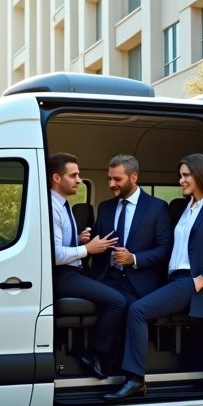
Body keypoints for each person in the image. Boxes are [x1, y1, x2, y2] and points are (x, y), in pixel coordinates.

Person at [104, 153, 203, 402]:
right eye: (181, 176)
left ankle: (135, 379)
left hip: (191, 281)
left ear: (201, 175)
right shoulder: (189, 208)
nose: (181, 180)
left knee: (137, 310)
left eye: (186, 175)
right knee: (128, 304)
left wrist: (202, 279)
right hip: (174, 280)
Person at [47, 152, 124, 381]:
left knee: (117, 289)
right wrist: (88, 249)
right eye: (74, 175)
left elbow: (60, 244)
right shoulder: (52, 207)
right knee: (117, 301)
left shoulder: (63, 204)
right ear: (56, 178)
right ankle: (93, 353)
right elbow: (55, 255)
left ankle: (112, 353)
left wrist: (80, 240)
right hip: (64, 276)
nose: (79, 180)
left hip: (74, 271)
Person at [87, 154, 173, 307]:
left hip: (139, 283)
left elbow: (164, 249)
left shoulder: (157, 207)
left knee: (128, 310)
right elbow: (96, 243)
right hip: (105, 279)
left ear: (133, 177)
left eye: (117, 179)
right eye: (109, 178)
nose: (111, 184)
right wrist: (85, 241)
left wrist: (133, 258)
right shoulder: (104, 207)